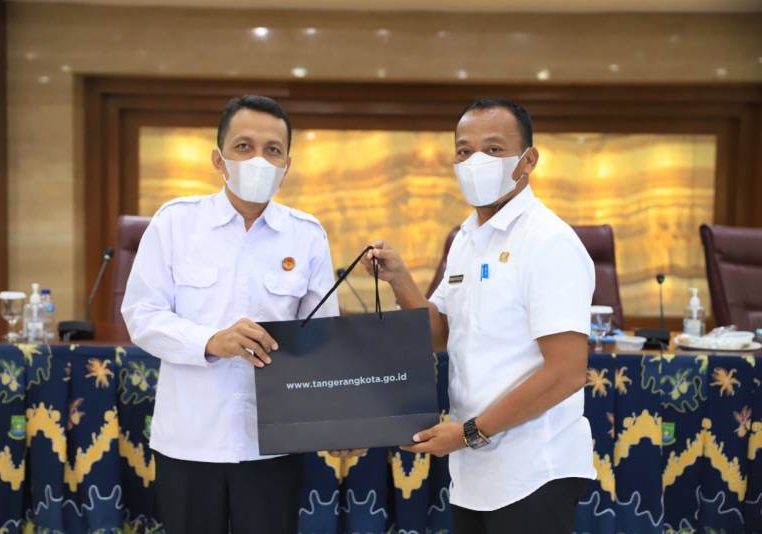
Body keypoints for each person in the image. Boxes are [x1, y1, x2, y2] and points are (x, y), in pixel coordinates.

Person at [122, 95, 361, 534]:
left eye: (273, 150)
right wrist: (211, 341)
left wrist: (336, 422)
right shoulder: (176, 223)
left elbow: (323, 339)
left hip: (273, 443)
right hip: (190, 440)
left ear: (287, 164)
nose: (258, 160)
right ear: (219, 159)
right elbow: (142, 315)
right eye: (244, 147)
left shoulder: (306, 235)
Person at [363, 97, 596, 533]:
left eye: (493, 149)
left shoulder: (549, 241)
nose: (475, 162)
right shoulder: (467, 239)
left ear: (528, 160)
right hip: (475, 471)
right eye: (464, 151)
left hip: (533, 470)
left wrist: (469, 432)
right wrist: (399, 280)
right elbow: (440, 333)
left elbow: (566, 373)